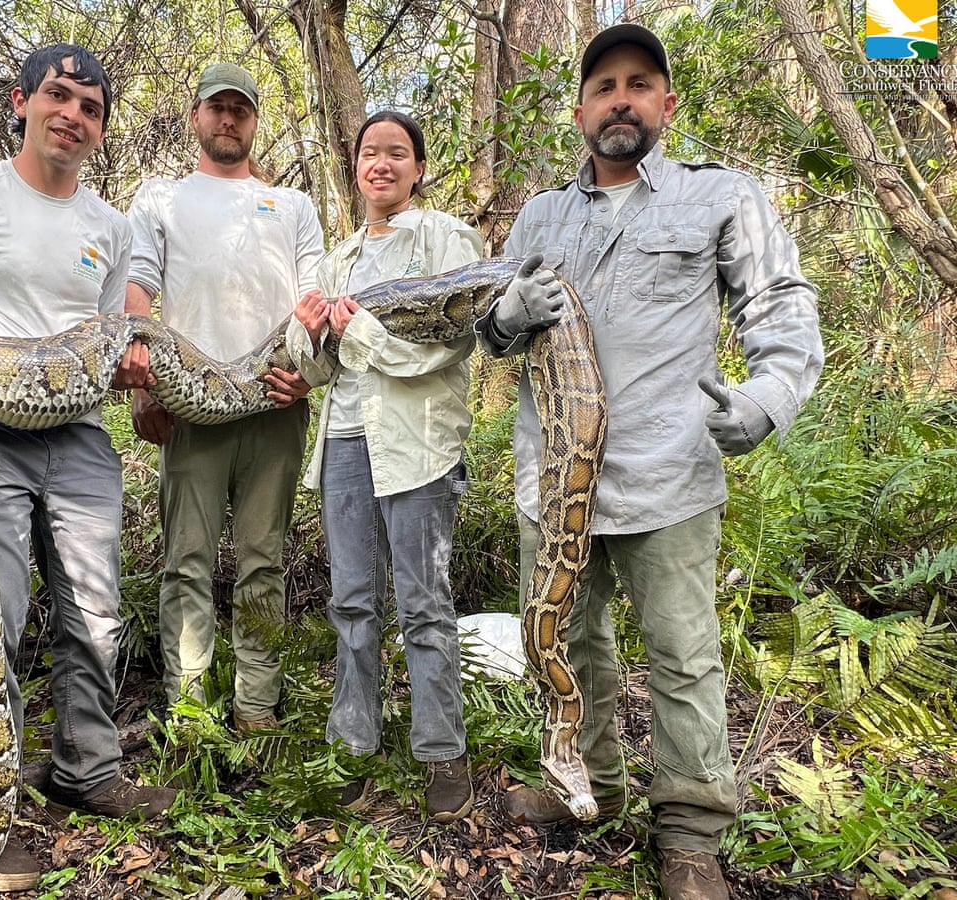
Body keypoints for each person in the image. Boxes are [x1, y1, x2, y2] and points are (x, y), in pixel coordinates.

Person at [475, 24, 824, 900]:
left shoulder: (721, 197)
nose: (620, 99)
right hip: (551, 479)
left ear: (665, 103)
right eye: (604, 86)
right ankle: (585, 784)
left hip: (667, 474)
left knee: (682, 655)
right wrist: (506, 314)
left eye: (639, 83)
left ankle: (692, 830)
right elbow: (489, 335)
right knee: (564, 641)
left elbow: (779, 305)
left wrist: (768, 398)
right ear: (581, 110)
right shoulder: (541, 215)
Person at [0, 44, 175, 893]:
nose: (73, 116)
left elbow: (108, 339)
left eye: (90, 107)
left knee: (96, 611)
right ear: (21, 101)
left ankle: (85, 772)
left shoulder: (110, 227)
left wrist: (131, 368)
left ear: (99, 127)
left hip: (80, 439)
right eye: (59, 97)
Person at [287, 110, 483, 823]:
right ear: (357, 167)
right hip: (344, 443)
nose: (382, 163)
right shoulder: (336, 260)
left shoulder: (447, 239)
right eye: (370, 152)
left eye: (397, 153)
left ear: (418, 168)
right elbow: (313, 371)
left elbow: (449, 346)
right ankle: (353, 745)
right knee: (352, 603)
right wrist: (307, 330)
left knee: (425, 603)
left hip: (419, 444)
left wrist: (359, 331)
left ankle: (441, 752)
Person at [126, 63, 324, 737]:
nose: (229, 119)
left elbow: (313, 305)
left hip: (275, 405)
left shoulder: (291, 206)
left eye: (241, 108)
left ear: (255, 121)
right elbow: (137, 292)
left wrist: (307, 373)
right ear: (196, 116)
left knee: (264, 560)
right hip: (191, 410)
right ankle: (188, 713)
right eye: (218, 107)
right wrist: (144, 384)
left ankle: (256, 708)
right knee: (187, 562)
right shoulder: (160, 198)